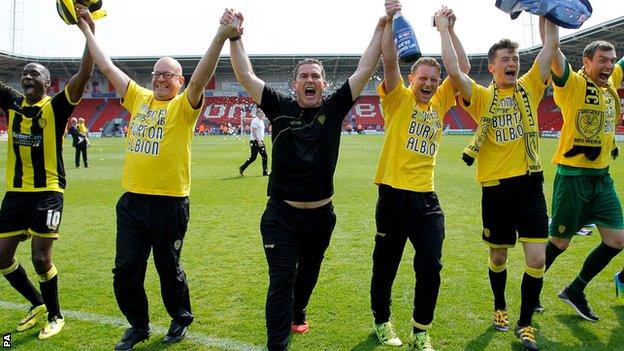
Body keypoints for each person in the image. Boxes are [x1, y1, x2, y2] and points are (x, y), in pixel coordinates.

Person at [76, 8, 239, 350]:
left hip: (169, 203)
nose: (161, 78)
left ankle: (180, 318)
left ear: (179, 82)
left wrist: (221, 35)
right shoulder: (138, 97)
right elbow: (106, 67)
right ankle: (139, 325)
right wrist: (87, 30)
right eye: (157, 73)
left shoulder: (183, 106)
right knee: (125, 273)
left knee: (169, 269)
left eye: (169, 75)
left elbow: (200, 78)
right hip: (133, 202)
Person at [223, 8, 383, 351]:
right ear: (295, 83)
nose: (309, 80)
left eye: (315, 76)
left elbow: (366, 68)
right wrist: (235, 37)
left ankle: (300, 310)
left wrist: (381, 26)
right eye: (303, 76)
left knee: (308, 273)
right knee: (281, 279)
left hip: (321, 216)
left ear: (324, 84)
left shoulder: (334, 107)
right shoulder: (279, 106)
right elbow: (245, 75)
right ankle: (277, 346)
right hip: (282, 215)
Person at [439, 13, 559, 351]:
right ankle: (500, 306)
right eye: (505, 59)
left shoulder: (532, 85)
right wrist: (446, 30)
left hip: (530, 186)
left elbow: (550, 45)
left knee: (537, 259)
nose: (512, 63)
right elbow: (453, 71)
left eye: (516, 59)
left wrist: (551, 10)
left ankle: (525, 324)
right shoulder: (480, 97)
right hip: (495, 190)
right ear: (492, 67)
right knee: (499, 258)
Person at [369, 3, 469, 351]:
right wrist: (392, 19)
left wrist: (448, 29)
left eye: (433, 80)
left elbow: (463, 70)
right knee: (386, 266)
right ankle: (382, 321)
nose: (427, 83)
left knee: (431, 264)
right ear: (412, 81)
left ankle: (420, 330)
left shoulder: (440, 102)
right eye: (422, 78)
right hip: (393, 195)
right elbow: (389, 62)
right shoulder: (397, 98)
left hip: (426, 198)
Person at [0, 4, 95, 340]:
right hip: (16, 192)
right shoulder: (11, 102)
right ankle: (37, 302)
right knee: (2, 256)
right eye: (24, 73)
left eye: (34, 74)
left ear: (46, 81)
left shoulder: (57, 105)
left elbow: (84, 73)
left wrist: (88, 28)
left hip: (48, 191)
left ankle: (56, 315)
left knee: (41, 256)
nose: (27, 77)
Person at [545, 40, 624, 322]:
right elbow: (553, 50)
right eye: (602, 59)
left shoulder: (611, 79)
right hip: (573, 177)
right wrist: (548, 16)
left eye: (612, 59)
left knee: (617, 240)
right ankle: (532, 288)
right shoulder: (572, 85)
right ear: (586, 61)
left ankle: (575, 289)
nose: (609, 65)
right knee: (559, 241)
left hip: (601, 178)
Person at [239, 108, 268, 176]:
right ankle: (265, 172)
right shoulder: (255, 121)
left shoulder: (261, 121)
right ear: (257, 114)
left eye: (263, 113)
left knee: (255, 157)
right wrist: (259, 141)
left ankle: (242, 168)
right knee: (262, 156)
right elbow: (254, 132)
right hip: (255, 141)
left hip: (258, 141)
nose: (263, 114)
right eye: (261, 113)